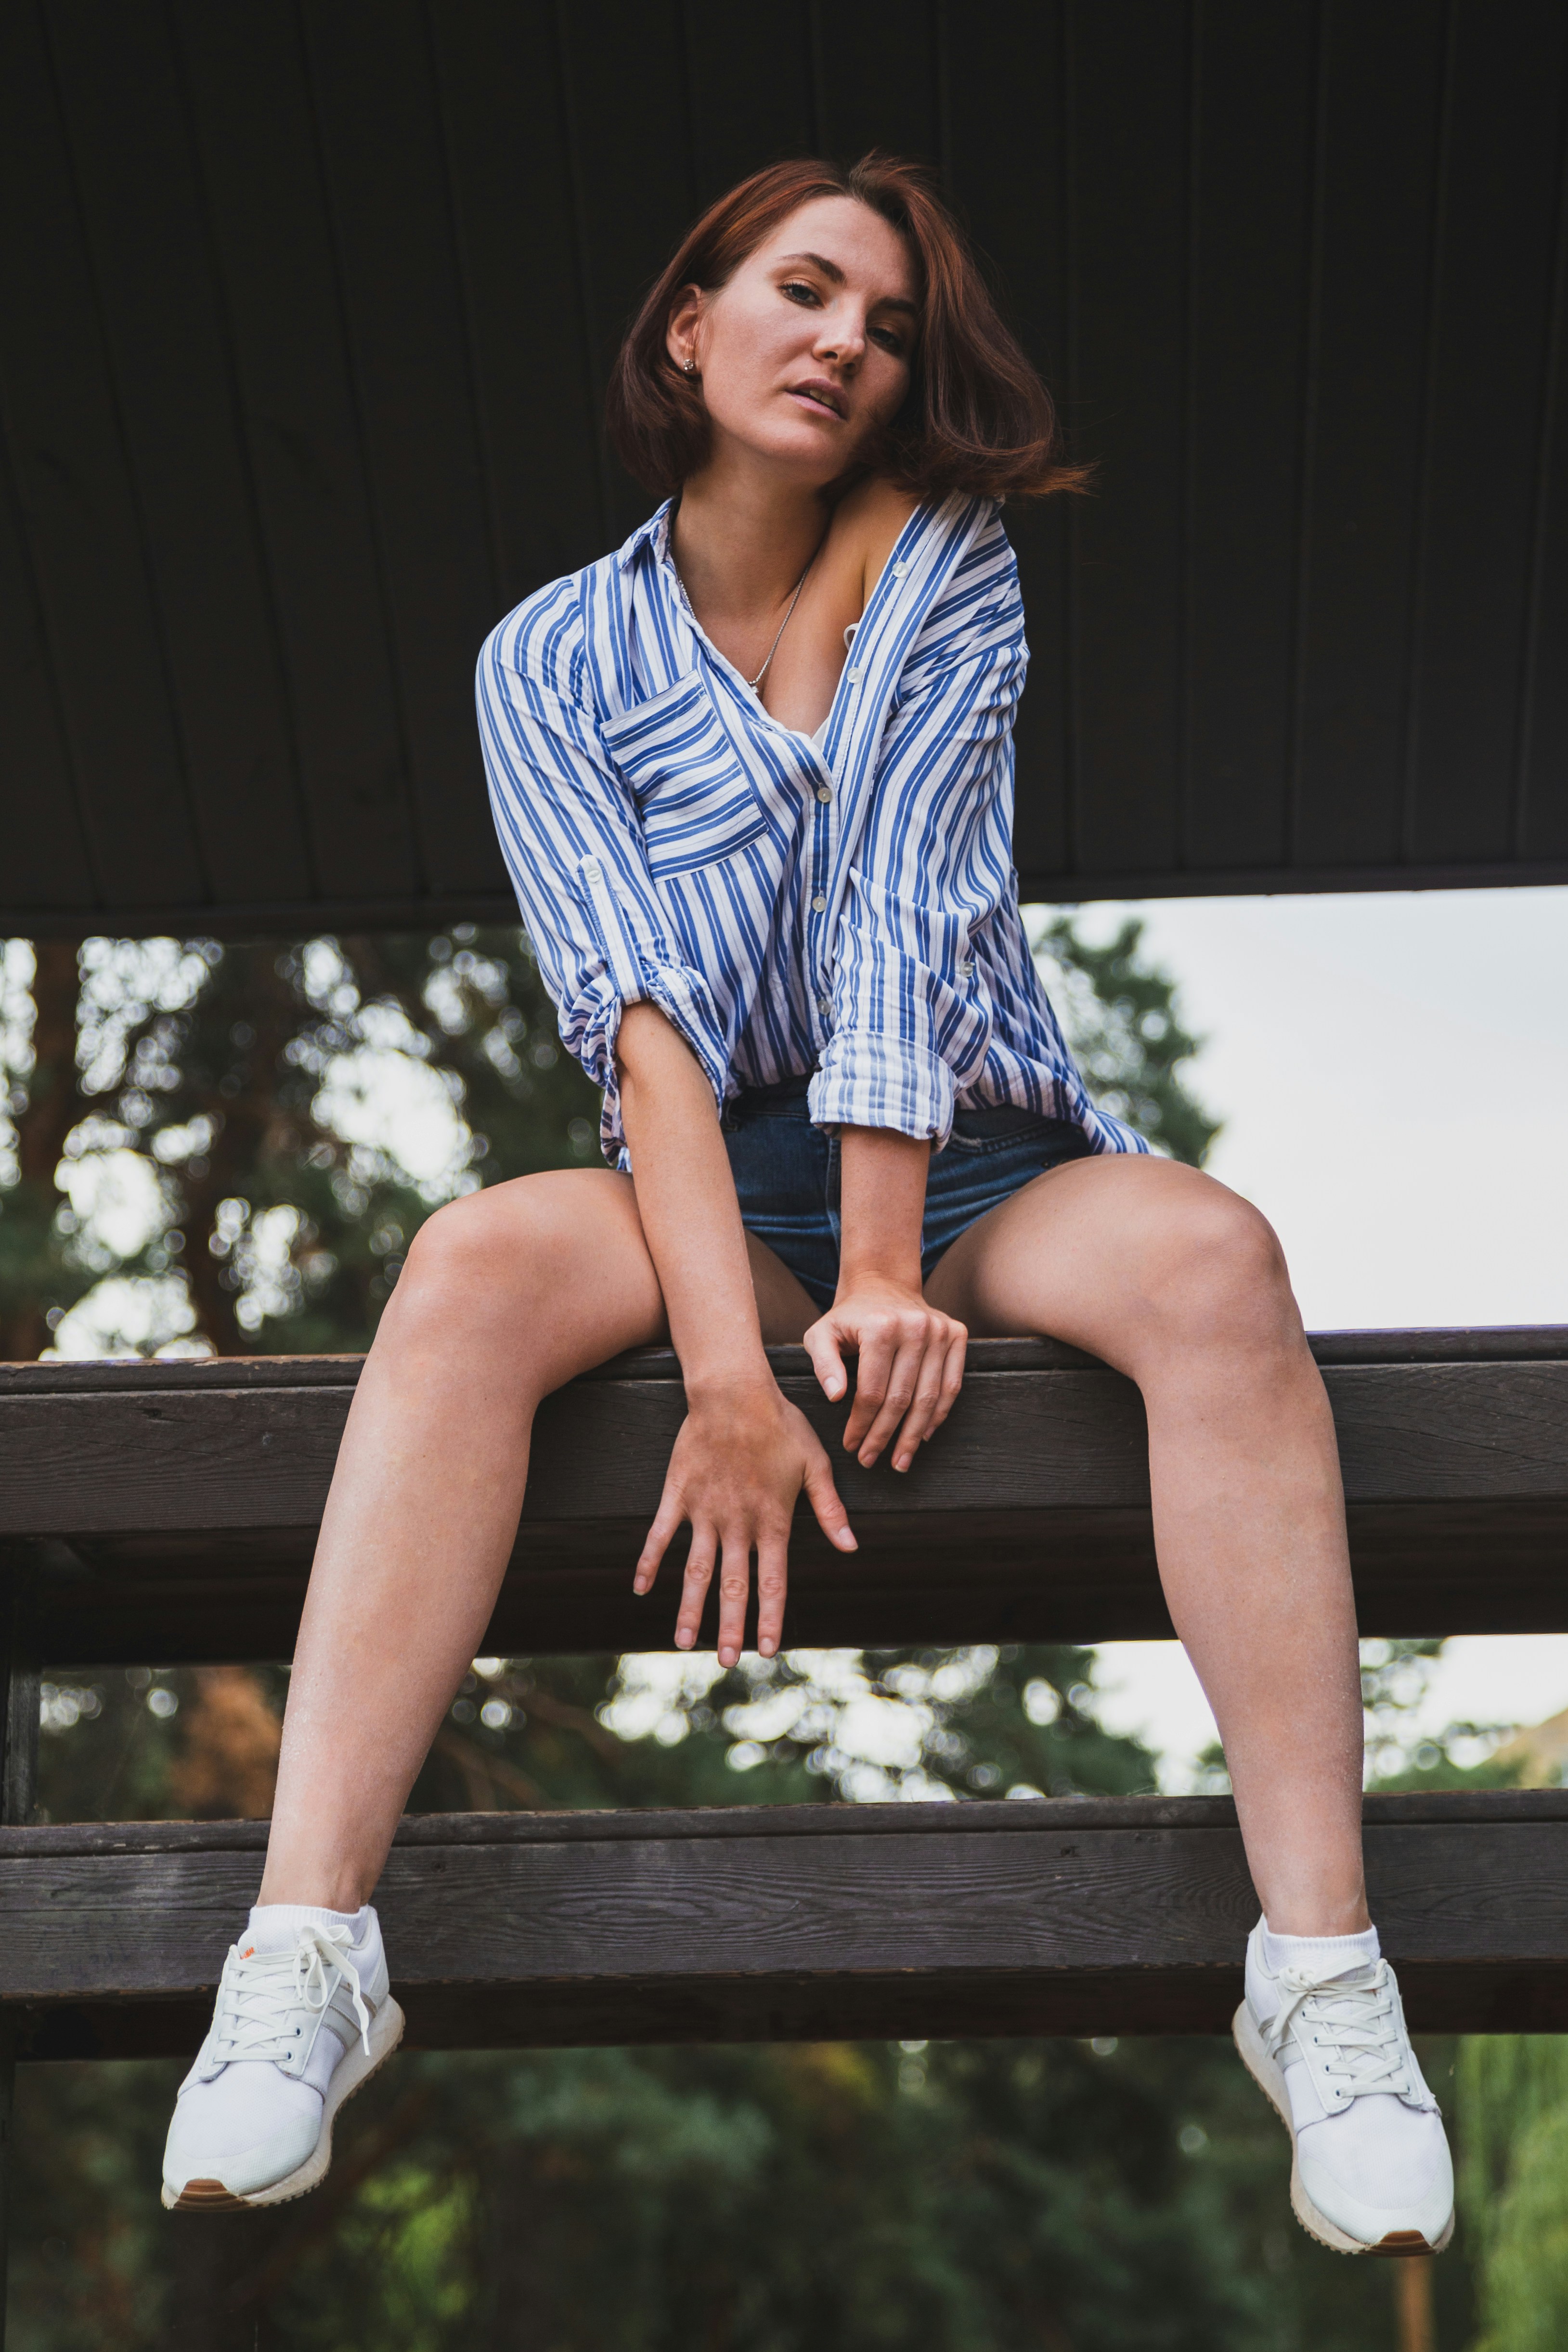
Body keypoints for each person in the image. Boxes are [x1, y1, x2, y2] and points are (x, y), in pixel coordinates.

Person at [161, 153, 1453, 2258]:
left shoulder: (947, 562)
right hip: (708, 1175)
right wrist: (727, 1374)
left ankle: (1318, 1975)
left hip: (978, 1146)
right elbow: (639, 1028)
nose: (844, 339)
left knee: (1213, 1256)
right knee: (469, 1258)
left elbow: (892, 916)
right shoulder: (548, 657)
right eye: (798, 288)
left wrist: (875, 1271)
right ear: (689, 326)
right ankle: (304, 1953)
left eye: (884, 324)